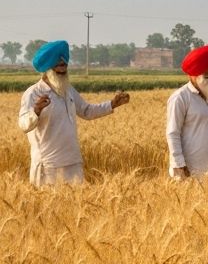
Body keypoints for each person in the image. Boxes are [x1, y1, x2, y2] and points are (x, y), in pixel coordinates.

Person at [17, 39, 129, 185]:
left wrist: (112, 104)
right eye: (59, 68)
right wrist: (36, 111)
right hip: (48, 165)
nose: (63, 72)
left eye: (65, 68)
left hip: (73, 162)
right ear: (48, 69)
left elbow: (86, 111)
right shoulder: (33, 93)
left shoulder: (68, 90)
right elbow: (23, 125)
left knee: (75, 206)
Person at [166, 43, 208, 178]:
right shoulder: (180, 97)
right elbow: (173, 133)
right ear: (194, 76)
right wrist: (179, 164)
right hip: (191, 169)